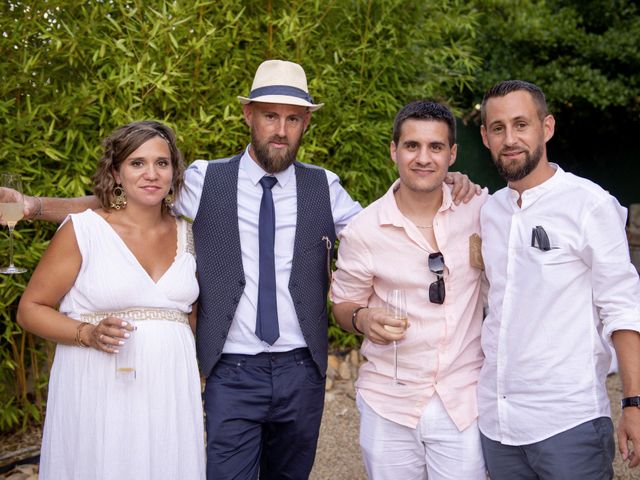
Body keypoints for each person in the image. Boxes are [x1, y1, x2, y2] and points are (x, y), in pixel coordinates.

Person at [4, 60, 479, 479]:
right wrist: (34, 206)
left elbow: (386, 224)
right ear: (249, 115)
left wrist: (440, 183)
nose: (281, 128)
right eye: (270, 115)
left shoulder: (324, 186)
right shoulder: (207, 179)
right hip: (231, 369)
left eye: (293, 119)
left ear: (306, 124)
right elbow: (124, 202)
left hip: (301, 368)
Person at [16, 121, 206, 479]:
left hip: (169, 389)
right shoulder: (84, 230)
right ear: (116, 172)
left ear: (174, 173)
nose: (151, 173)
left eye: (162, 163)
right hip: (98, 385)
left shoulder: (191, 233)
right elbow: (30, 310)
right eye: (137, 163)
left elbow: (192, 315)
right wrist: (86, 333)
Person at [477, 80, 640, 478]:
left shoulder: (589, 205)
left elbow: (622, 307)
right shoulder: (488, 211)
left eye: (521, 124)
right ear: (484, 137)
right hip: (497, 424)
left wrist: (634, 404)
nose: (510, 138)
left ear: (546, 127)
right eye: (498, 128)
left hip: (568, 423)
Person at [331, 100, 488, 479]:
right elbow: (342, 304)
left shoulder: (480, 210)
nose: (423, 158)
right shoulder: (364, 230)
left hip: (463, 401)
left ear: (452, 154)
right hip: (389, 401)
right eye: (412, 146)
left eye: (436, 147)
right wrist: (363, 318)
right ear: (393, 151)